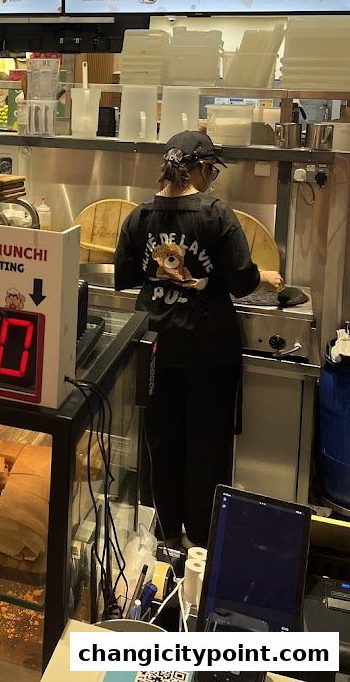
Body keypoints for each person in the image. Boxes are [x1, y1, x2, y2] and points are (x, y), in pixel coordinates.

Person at [113, 131, 282, 549]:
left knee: (162, 444)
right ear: (203, 169)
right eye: (212, 171)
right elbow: (242, 281)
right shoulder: (216, 215)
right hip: (208, 350)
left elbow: (126, 275)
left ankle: (166, 536)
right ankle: (203, 544)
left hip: (155, 346)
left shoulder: (139, 216)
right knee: (207, 449)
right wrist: (264, 276)